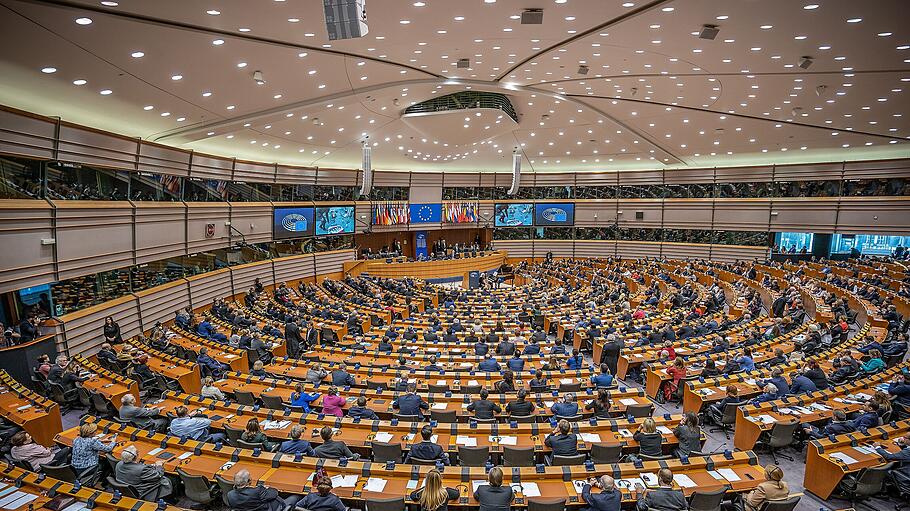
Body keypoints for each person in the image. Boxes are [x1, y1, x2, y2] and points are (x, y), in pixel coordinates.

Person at [227, 469, 300, 511]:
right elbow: (275, 493)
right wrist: (266, 488)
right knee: (296, 497)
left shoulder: (230, 494)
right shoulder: (257, 491)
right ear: (249, 481)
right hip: (274, 508)